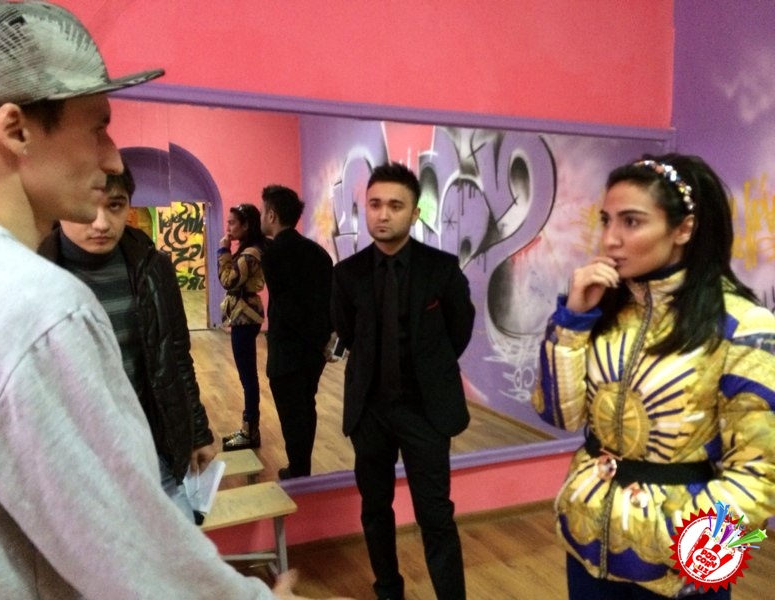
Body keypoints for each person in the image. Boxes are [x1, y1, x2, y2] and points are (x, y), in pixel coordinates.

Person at [0, 2, 346, 598]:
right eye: (97, 126)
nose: (112, 157)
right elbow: (117, 543)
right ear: (16, 129)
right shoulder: (39, 307)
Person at [532, 154, 775, 599]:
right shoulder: (606, 309)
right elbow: (559, 416)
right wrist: (573, 321)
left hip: (683, 559)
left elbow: (761, 472)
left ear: (683, 229)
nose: (610, 239)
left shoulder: (744, 327)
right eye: (606, 220)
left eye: (631, 222)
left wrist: (696, 555)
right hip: (586, 541)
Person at [39, 163, 216, 523]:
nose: (101, 223)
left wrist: (197, 432)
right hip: (76, 460)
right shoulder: (35, 271)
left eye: (115, 206)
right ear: (61, 205)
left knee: (180, 544)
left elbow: (176, 355)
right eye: (87, 206)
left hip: (151, 447)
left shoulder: (153, 268)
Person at [331, 162, 475, 600]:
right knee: (375, 509)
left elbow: (459, 330)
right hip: (370, 411)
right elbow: (347, 331)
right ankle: (388, 590)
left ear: (414, 213)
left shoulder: (441, 269)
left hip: (425, 411)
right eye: (375, 204)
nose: (383, 214)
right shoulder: (348, 273)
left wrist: (430, 371)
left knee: (435, 515)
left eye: (395, 206)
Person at [260, 184, 333, 479]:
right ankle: (302, 467)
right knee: (306, 405)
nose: (261, 217)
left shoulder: (273, 254)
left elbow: (286, 306)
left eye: (263, 211)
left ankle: (299, 471)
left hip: (288, 349)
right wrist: (322, 339)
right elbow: (330, 301)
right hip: (314, 350)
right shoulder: (319, 253)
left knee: (291, 413)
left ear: (272, 215)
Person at [218, 203, 267, 451]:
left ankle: (250, 431)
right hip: (243, 317)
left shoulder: (251, 253)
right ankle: (249, 428)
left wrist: (223, 251)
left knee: (248, 376)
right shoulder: (250, 249)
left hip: (245, 318)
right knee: (247, 375)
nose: (228, 227)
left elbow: (228, 280)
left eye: (232, 222)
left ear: (246, 225)